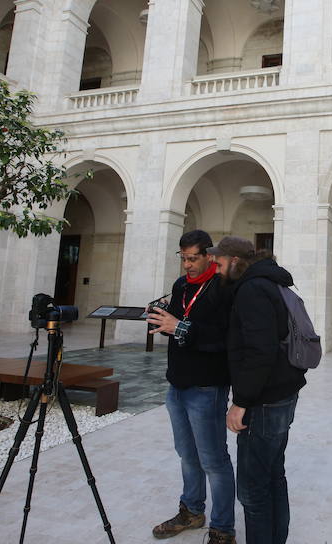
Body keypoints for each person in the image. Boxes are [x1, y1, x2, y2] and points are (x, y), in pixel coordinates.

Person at [209, 236, 307, 544]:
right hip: (282, 392)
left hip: (264, 401)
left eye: (219, 264)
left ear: (235, 261)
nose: (216, 269)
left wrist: (241, 402)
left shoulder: (252, 289)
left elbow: (260, 351)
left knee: (253, 491)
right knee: (274, 476)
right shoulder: (269, 282)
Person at [146, 230, 237, 544]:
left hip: (207, 387)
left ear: (209, 256)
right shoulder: (180, 285)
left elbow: (225, 337)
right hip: (177, 384)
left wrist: (181, 326)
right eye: (183, 258)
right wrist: (161, 320)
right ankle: (192, 511)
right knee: (187, 454)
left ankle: (223, 530)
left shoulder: (224, 288)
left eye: (193, 258)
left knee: (214, 460)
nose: (187, 265)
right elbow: (175, 327)